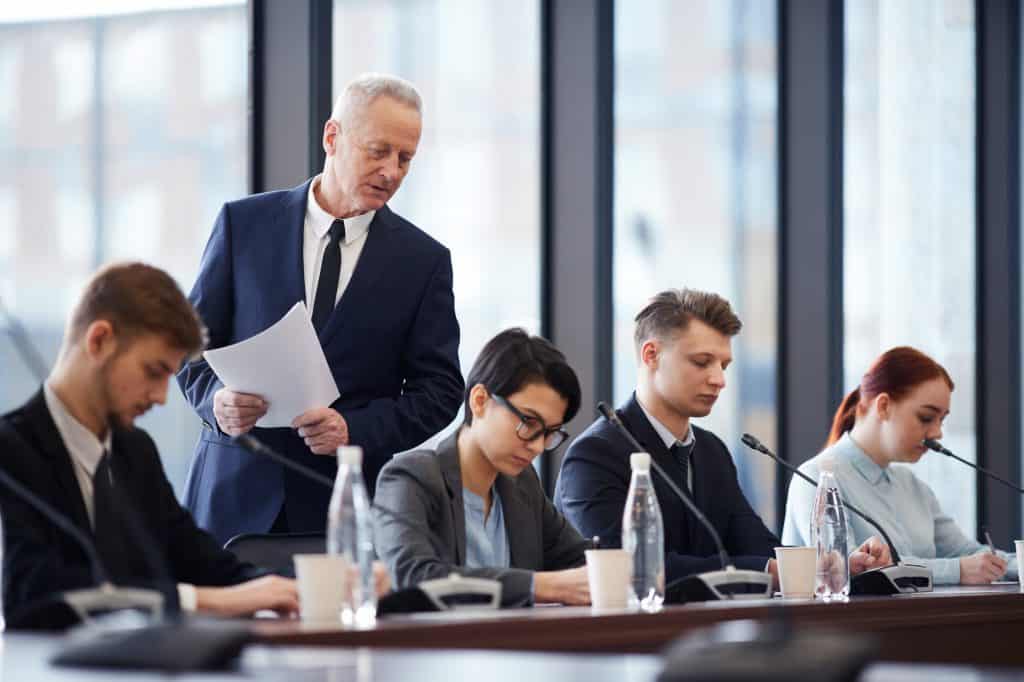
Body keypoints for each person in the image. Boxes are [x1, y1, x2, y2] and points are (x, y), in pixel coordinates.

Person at [177, 73, 463, 544]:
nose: (392, 171)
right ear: (333, 137)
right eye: (378, 151)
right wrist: (215, 401)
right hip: (230, 498)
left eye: (405, 158)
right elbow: (187, 347)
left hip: (341, 509)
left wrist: (355, 428)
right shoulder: (242, 225)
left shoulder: (424, 262)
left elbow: (440, 390)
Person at [0, 263, 301, 627]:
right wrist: (204, 601)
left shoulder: (134, 451)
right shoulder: (12, 451)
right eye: (153, 371)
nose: (161, 398)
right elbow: (34, 594)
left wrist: (308, 589)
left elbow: (205, 564)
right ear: (99, 340)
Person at [555, 288, 889, 587]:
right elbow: (627, 568)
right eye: (701, 362)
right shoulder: (594, 455)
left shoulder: (712, 451)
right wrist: (768, 569)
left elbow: (755, 543)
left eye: (724, 366)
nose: (718, 380)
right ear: (651, 355)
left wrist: (828, 564)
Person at [373, 329, 591, 607]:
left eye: (549, 433)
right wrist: (539, 586)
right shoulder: (410, 477)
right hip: (434, 648)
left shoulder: (522, 483)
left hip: (517, 648)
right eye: (529, 423)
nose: (537, 447)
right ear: (479, 401)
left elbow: (580, 558)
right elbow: (413, 576)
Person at [782, 346, 1018, 585]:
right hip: (844, 622)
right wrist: (955, 571)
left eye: (942, 420)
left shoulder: (913, 486)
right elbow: (850, 569)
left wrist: (1014, 564)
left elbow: (969, 553)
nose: (937, 433)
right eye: (926, 418)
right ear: (883, 406)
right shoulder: (815, 478)